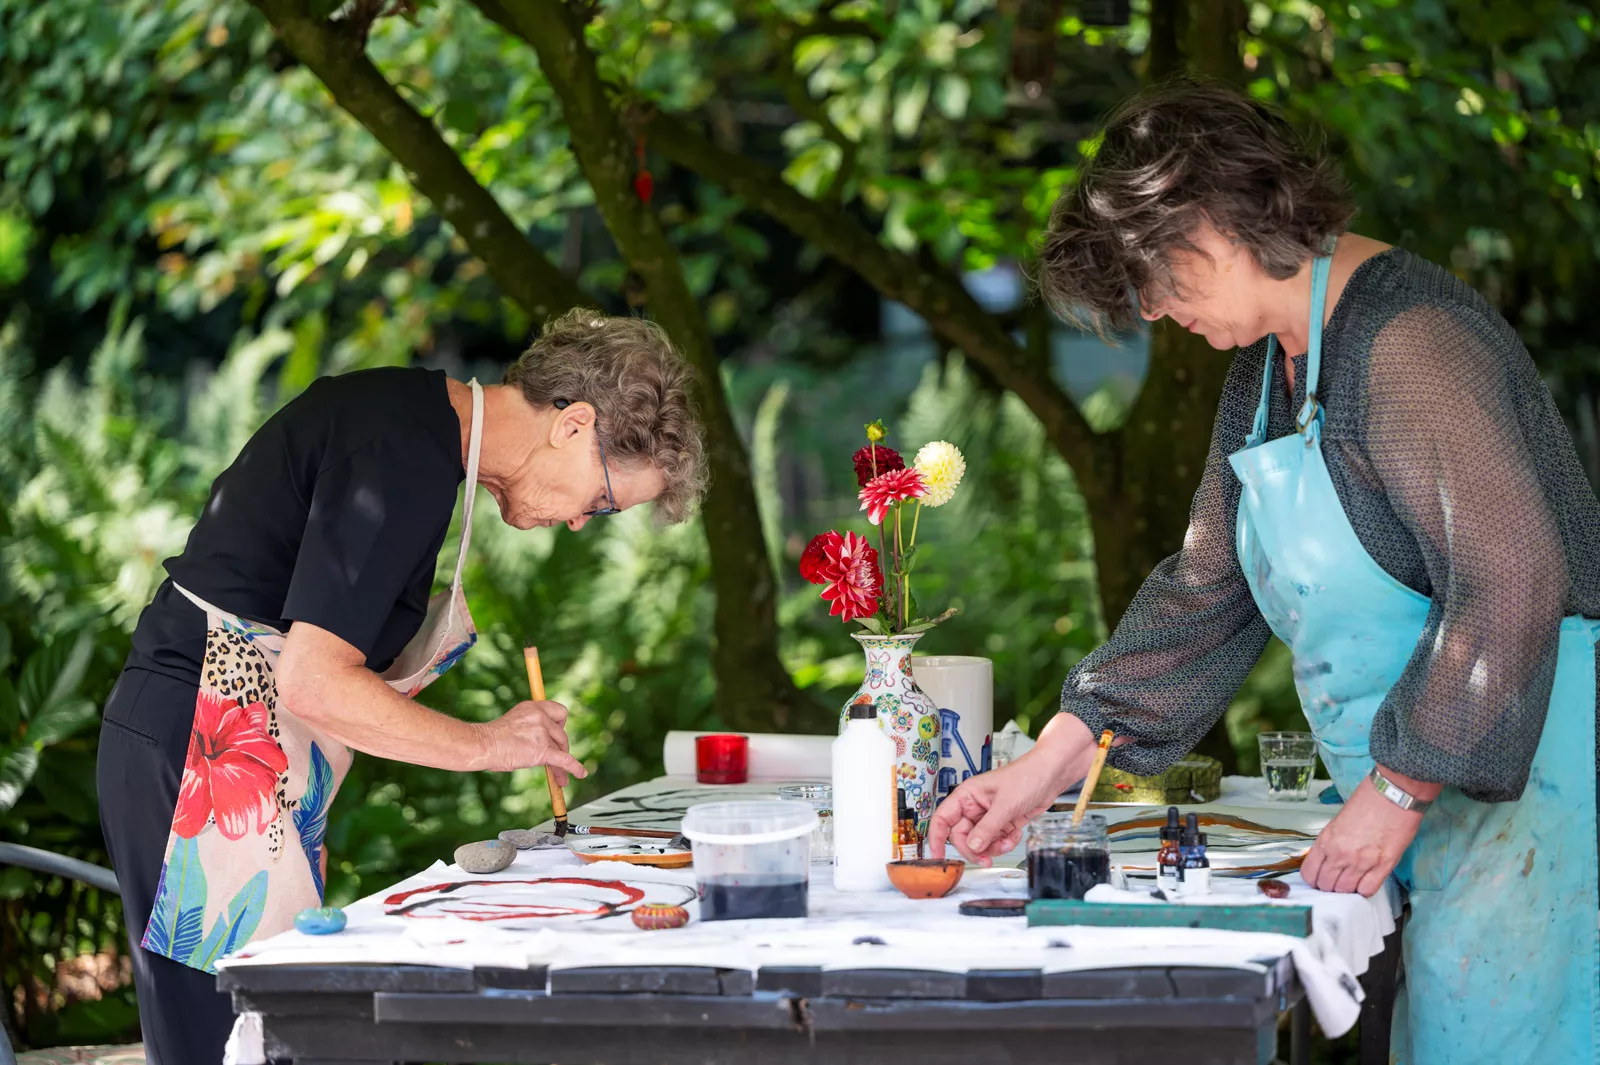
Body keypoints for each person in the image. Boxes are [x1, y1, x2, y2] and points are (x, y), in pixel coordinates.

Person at [928, 80, 1600, 1063]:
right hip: (1425, 801)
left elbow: (1513, 579)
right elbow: (1206, 591)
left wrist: (1398, 791)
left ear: (1211, 222)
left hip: (1537, 800)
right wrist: (1047, 765)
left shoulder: (1410, 342)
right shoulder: (1264, 368)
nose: (1152, 309)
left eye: (1152, 278)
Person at [96, 309, 707, 1065]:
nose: (585, 522)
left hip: (227, 754)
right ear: (573, 424)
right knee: (223, 1046)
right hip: (200, 752)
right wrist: (488, 745)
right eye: (605, 500)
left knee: (253, 1038)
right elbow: (314, 681)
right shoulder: (403, 451)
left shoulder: (418, 429)